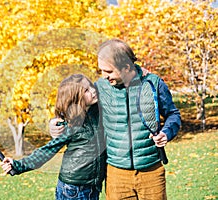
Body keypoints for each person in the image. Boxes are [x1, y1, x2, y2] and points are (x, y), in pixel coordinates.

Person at [50, 39, 181, 200]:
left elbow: (173, 115)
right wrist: (55, 123)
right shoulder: (100, 89)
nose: (104, 76)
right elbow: (74, 107)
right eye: (102, 71)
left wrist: (166, 133)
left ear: (126, 66)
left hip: (151, 171)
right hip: (116, 174)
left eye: (109, 71)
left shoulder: (154, 83)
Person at [0, 74, 107, 200]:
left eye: (91, 86)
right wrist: (18, 165)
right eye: (86, 91)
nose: (93, 91)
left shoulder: (96, 112)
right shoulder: (71, 124)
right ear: (76, 98)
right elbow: (47, 150)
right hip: (75, 189)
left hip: (92, 187)